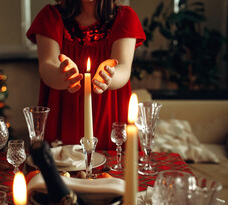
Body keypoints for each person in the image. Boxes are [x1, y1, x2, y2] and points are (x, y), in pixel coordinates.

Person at [26, 0, 145, 150]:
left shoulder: (124, 17)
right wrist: (62, 76)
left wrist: (109, 77)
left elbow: (123, 67)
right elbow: (47, 65)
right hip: (63, 113)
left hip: (108, 116)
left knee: (111, 170)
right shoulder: (51, 16)